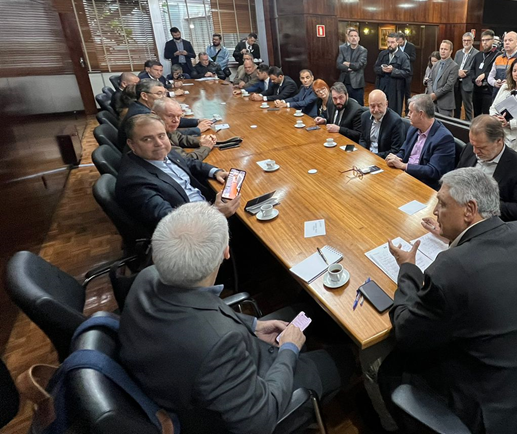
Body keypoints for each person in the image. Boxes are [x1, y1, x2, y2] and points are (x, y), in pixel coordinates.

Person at [119, 202, 355, 434]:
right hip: (245, 393)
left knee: (305, 308)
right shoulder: (218, 344)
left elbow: (202, 309)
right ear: (226, 251)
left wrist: (254, 325)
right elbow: (260, 420)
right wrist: (289, 350)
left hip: (187, 370)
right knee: (347, 357)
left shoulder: (147, 277)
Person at [379, 168, 517, 434]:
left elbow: (406, 332)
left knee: (386, 367)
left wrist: (408, 270)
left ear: (469, 210)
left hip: (488, 413)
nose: (435, 211)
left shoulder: (450, 268)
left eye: (441, 203)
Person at [115, 114, 238, 229]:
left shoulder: (162, 152)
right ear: (131, 144)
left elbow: (188, 162)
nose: (158, 143)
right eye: (147, 139)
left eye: (161, 135)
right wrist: (216, 213)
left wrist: (215, 172)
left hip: (206, 204)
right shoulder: (134, 182)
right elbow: (169, 221)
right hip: (198, 228)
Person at [456, 115, 517, 221]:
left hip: (492, 222)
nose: (475, 151)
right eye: (473, 144)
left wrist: (484, 202)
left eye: (481, 148)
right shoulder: (469, 149)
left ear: (499, 141)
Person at [386, 94, 455, 190]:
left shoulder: (444, 138)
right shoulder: (413, 128)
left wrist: (404, 166)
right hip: (405, 177)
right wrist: (395, 158)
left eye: (410, 112)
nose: (408, 115)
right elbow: (403, 151)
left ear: (421, 114)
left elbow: (433, 171)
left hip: (424, 186)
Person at [152, 98, 216, 161]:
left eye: (179, 116)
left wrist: (202, 141)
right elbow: (185, 161)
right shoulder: (156, 137)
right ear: (154, 115)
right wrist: (205, 147)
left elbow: (180, 138)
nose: (176, 120)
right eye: (170, 116)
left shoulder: (165, 128)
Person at [359, 89, 404, 159]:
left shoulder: (395, 121)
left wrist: (374, 156)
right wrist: (364, 152)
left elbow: (395, 150)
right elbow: (362, 139)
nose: (376, 110)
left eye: (379, 105)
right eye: (372, 106)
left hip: (383, 159)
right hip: (366, 157)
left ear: (386, 104)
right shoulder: (365, 116)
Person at [374, 34, 411, 116]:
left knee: (393, 113)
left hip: (396, 89)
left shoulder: (403, 57)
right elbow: (375, 68)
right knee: (380, 109)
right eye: (388, 42)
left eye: (392, 42)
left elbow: (407, 72)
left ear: (397, 42)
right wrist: (382, 70)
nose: (390, 45)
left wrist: (393, 71)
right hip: (382, 87)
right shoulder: (382, 54)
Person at [336, 27, 368, 105]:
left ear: (359, 38)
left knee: (358, 105)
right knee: (344, 104)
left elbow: (359, 65)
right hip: (344, 82)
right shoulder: (342, 48)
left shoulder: (363, 50)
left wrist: (348, 64)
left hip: (357, 84)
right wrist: (348, 68)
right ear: (348, 38)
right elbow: (338, 64)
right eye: (351, 36)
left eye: (355, 36)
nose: (353, 38)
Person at [471, 30, 498, 117]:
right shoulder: (478, 55)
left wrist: (485, 75)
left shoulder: (497, 55)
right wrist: (475, 80)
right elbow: (472, 70)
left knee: (487, 116)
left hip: (488, 91)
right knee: (476, 115)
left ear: (493, 40)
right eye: (483, 40)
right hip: (476, 90)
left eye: (487, 40)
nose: (484, 42)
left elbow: (496, 72)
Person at [428, 40, 459, 116]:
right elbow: (430, 80)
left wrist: (436, 95)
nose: (442, 51)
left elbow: (449, 85)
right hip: (433, 102)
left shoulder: (454, 66)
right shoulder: (436, 64)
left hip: (445, 103)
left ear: (451, 51)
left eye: (445, 49)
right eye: (441, 49)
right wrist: (431, 93)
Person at [453, 32, 479, 121]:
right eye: (464, 40)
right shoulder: (458, 53)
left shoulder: (476, 53)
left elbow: (472, 67)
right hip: (457, 83)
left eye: (468, 40)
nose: (466, 42)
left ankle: (468, 126)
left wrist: (463, 72)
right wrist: (457, 72)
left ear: (472, 41)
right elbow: (454, 65)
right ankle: (456, 124)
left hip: (467, 83)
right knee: (456, 107)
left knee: (468, 108)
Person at [397, 32, 417, 108]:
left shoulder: (411, 46)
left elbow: (413, 58)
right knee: (399, 92)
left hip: (408, 73)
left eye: (401, 42)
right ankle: (399, 108)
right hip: (399, 72)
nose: (399, 44)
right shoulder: (397, 46)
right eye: (398, 42)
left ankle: (407, 110)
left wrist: (404, 57)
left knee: (407, 92)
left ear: (404, 40)